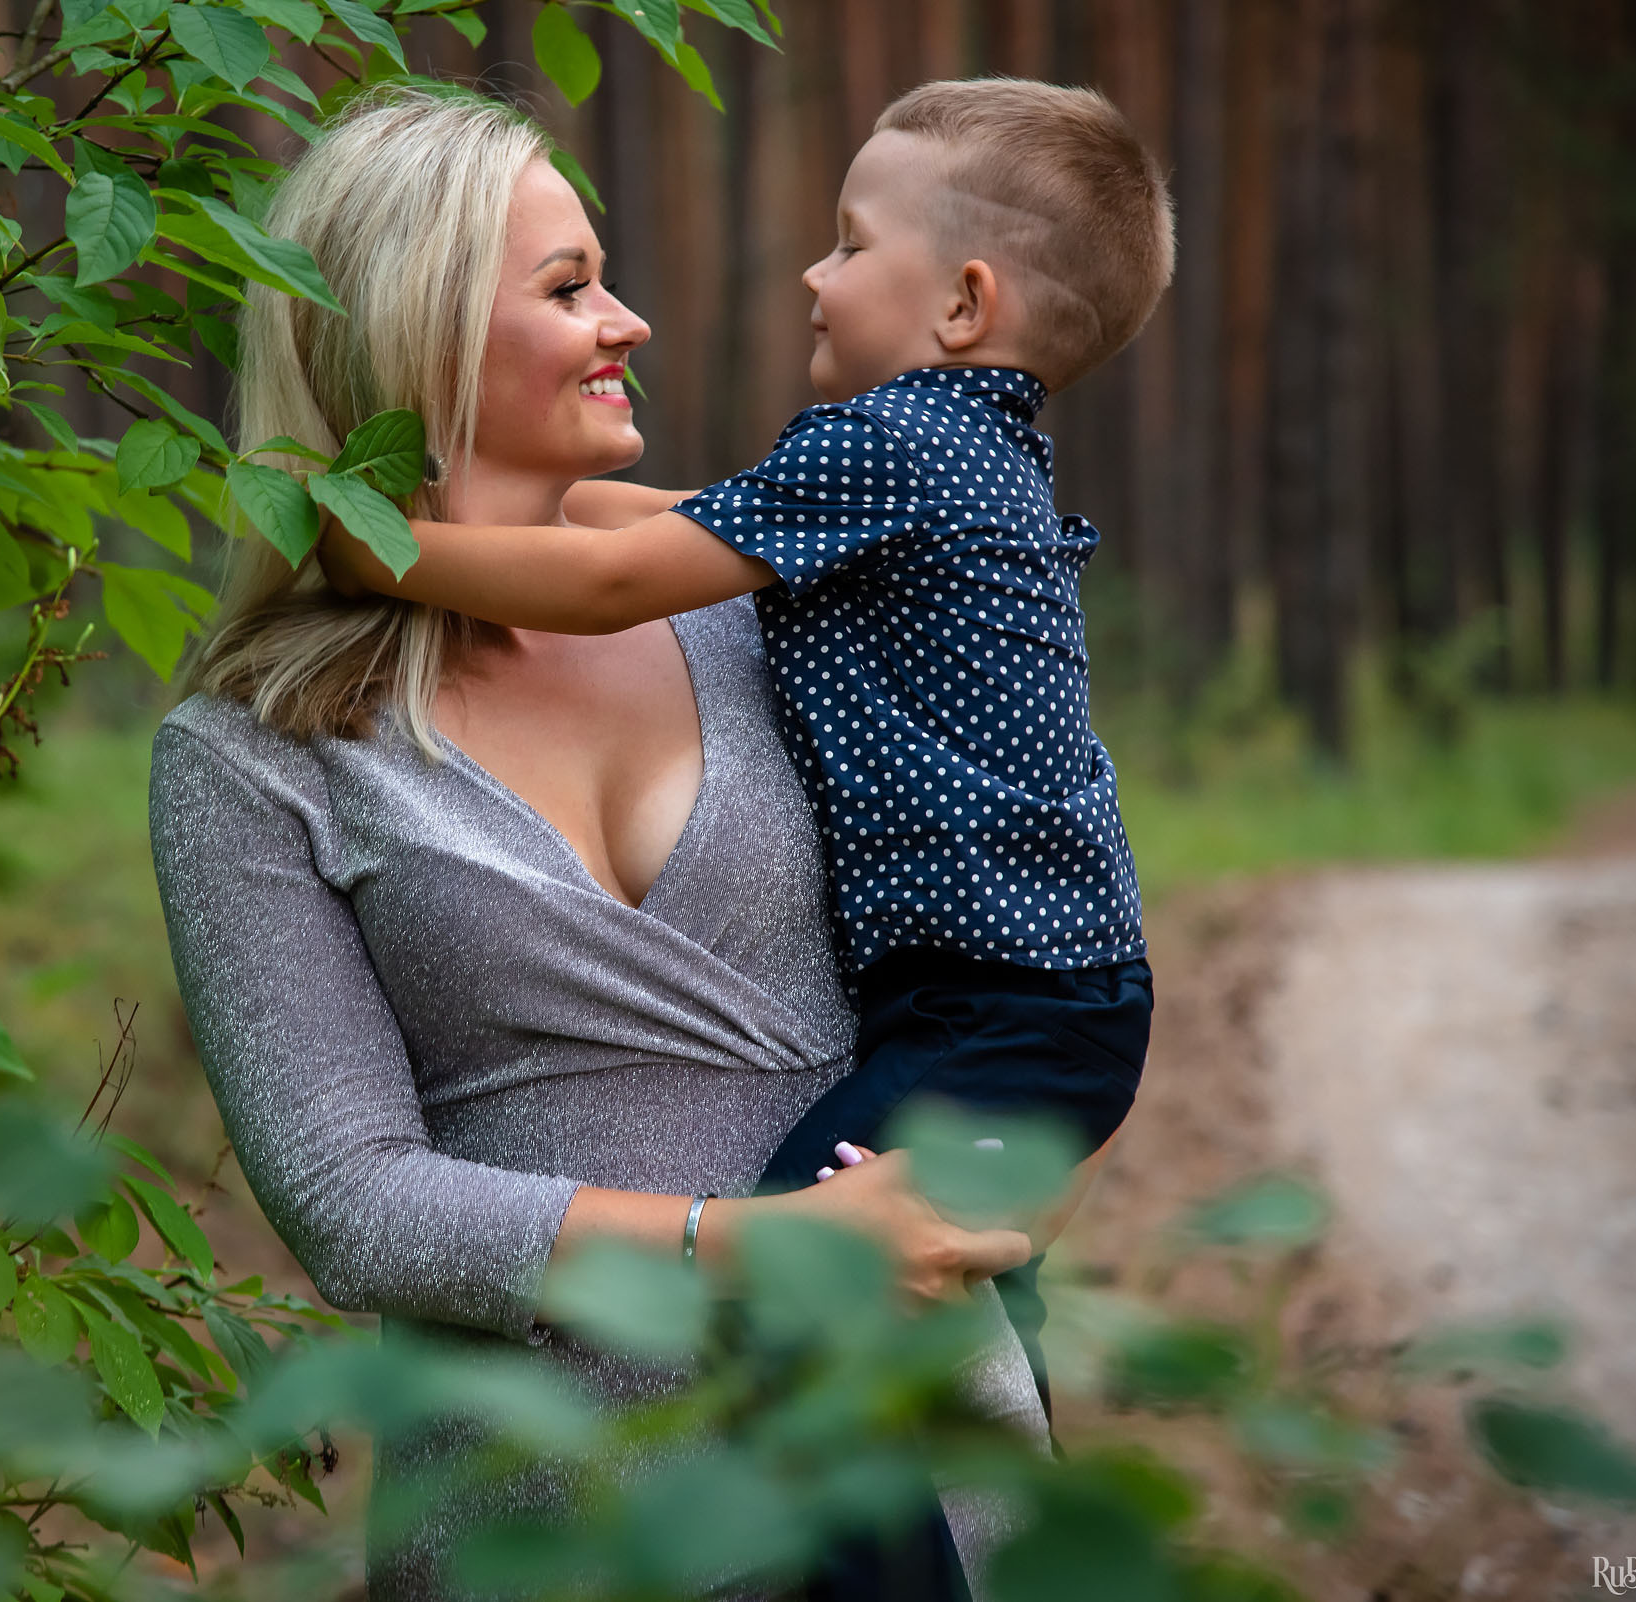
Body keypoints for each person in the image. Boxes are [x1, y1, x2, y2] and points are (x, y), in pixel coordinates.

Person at [148, 88, 1043, 1600]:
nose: (629, 321)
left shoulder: (767, 612)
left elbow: (996, 899)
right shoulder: (250, 750)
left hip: (914, 1470)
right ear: (413, 337)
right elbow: (358, 1204)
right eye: (568, 289)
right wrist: (756, 1245)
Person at [320, 77, 1177, 1425]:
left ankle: (881, 1550)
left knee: (818, 1270)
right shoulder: (946, 458)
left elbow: (617, 582)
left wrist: (375, 544)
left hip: (1000, 1003)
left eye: (848, 241)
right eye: (564, 287)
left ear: (961, 305)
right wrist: (488, 495)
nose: (812, 272)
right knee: (928, 1281)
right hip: (1030, 994)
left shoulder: (898, 443)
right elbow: (668, 521)